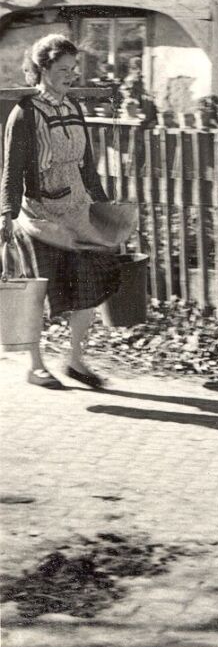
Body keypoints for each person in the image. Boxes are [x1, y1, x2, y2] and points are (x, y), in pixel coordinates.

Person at [0, 35, 126, 390]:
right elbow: (13, 171)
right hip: (40, 216)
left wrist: (102, 207)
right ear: (42, 69)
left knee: (88, 286)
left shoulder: (73, 108)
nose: (70, 76)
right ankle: (35, 366)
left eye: (73, 69)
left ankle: (74, 360)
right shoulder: (25, 113)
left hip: (77, 210)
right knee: (35, 294)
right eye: (62, 70)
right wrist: (6, 216)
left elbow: (87, 166)